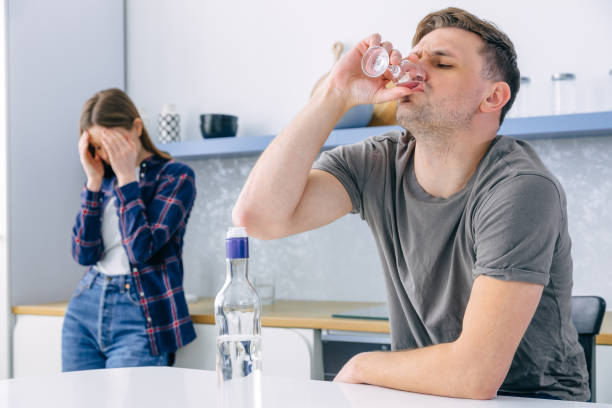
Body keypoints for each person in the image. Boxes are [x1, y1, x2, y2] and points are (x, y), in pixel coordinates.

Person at [232, 7, 589, 402]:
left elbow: (475, 375)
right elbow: (257, 218)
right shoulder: (379, 163)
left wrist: (361, 367)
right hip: (426, 395)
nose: (414, 70)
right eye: (415, 57)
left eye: (442, 63)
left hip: (529, 400)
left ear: (493, 96)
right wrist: (336, 93)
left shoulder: (520, 188)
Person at [62, 88, 197, 371]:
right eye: (97, 147)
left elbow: (141, 250)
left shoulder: (176, 177)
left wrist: (127, 177)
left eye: (110, 145)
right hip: (86, 305)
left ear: (137, 128)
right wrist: (93, 182)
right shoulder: (104, 180)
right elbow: (84, 254)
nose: (104, 155)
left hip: (142, 313)